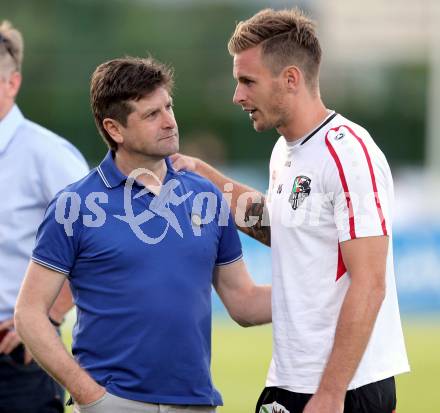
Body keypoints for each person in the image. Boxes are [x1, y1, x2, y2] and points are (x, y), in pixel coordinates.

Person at [171, 8, 410, 413]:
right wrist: (203, 175)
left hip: (346, 389)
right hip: (290, 378)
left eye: (247, 81)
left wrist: (331, 393)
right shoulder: (285, 151)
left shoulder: (349, 152)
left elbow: (369, 283)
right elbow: (279, 226)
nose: (237, 96)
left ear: (291, 79)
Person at [14, 56, 271, 413]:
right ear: (114, 129)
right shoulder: (74, 204)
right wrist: (91, 397)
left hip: (196, 403)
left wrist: (320, 292)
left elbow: (244, 302)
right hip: (113, 403)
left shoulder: (206, 195)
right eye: (151, 115)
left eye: (168, 107)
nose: (169, 122)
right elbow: (29, 312)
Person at [0, 20, 89, 412]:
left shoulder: (47, 154)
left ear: (12, 83)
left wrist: (48, 317)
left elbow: (97, 241)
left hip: (17, 359)